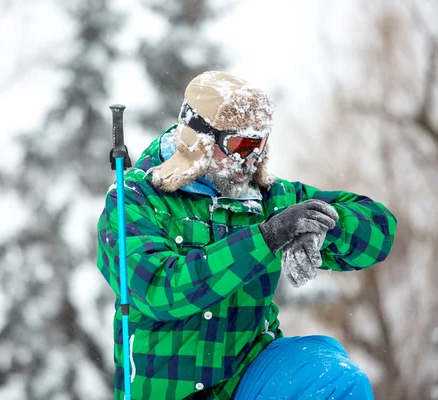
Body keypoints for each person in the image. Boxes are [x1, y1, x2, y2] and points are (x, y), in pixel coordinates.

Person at [96, 71, 396, 400]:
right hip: (172, 389)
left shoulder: (269, 197)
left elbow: (379, 229)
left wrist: (324, 228)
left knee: (337, 381)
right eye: (240, 145)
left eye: (259, 144)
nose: (250, 159)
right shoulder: (136, 201)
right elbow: (160, 289)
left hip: (251, 372)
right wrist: (265, 238)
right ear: (201, 141)